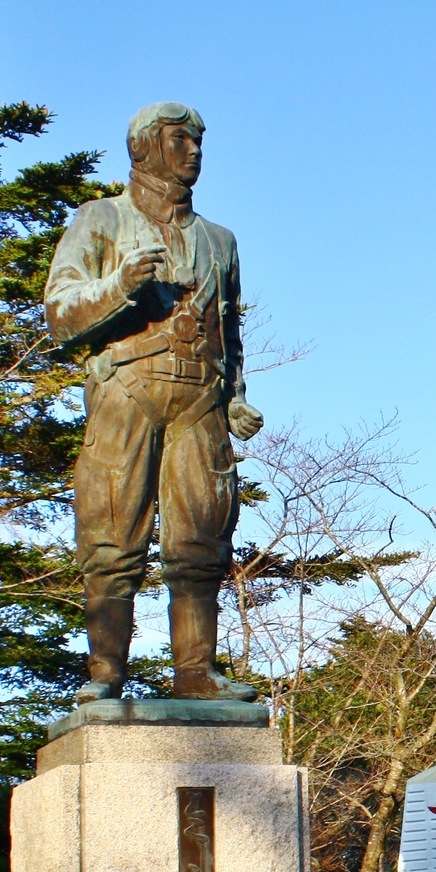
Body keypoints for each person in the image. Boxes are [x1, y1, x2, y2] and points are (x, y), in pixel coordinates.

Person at [44, 101, 264, 703]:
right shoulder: (99, 220)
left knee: (201, 542)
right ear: (144, 148)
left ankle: (195, 671)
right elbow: (59, 315)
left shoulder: (221, 241)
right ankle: (106, 674)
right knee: (111, 536)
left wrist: (237, 395)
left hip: (200, 400)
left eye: (198, 141)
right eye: (179, 140)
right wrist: (120, 286)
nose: (193, 150)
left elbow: (230, 332)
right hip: (126, 392)